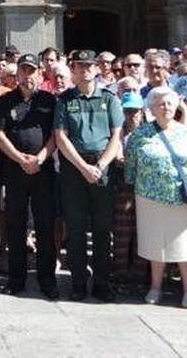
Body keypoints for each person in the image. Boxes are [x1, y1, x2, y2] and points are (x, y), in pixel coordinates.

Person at [54, 48, 124, 302]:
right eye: (79, 66)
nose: (84, 70)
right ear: (72, 70)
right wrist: (84, 167)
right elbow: (60, 136)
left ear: (97, 69)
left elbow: (117, 135)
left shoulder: (110, 99)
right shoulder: (64, 100)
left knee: (103, 229)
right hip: (74, 169)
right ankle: (78, 283)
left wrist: (101, 165)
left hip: (102, 170)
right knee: (76, 229)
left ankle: (102, 283)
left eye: (89, 66)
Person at [124, 86, 187, 307]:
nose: (165, 107)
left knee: (186, 245)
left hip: (183, 197)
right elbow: (130, 166)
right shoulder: (140, 135)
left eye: (169, 102)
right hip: (150, 197)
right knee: (155, 245)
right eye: (160, 103)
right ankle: (155, 287)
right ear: (151, 108)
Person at [0, 53, 57, 298]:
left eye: (32, 71)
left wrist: (40, 158)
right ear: (17, 74)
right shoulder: (6, 100)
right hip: (15, 171)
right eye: (23, 71)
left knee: (45, 226)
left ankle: (47, 279)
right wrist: (21, 160)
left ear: (40, 75)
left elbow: (56, 133)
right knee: (15, 226)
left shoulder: (49, 101)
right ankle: (16, 279)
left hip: (43, 171)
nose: (27, 76)